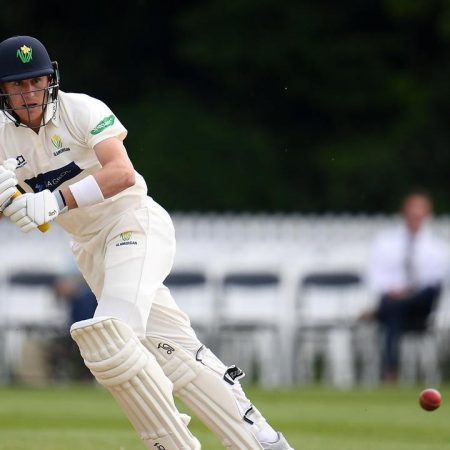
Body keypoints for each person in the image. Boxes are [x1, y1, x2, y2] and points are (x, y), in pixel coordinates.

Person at [0, 35, 293, 450]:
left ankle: (173, 444)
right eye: (17, 85)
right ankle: (262, 441)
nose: (29, 93)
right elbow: (15, 204)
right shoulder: (1, 138)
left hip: (133, 222)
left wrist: (54, 200)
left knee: (111, 335)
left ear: (51, 79)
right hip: (89, 249)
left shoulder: (81, 109)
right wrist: (9, 205)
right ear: (4, 91)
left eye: (36, 81)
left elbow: (121, 172)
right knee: (173, 351)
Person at [366, 190, 447, 383]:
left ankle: (390, 371)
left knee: (401, 304)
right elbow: (375, 277)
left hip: (421, 305)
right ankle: (391, 373)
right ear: (404, 213)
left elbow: (436, 281)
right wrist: (394, 291)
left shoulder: (439, 247)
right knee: (393, 310)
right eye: (412, 211)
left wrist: (407, 294)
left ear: (427, 214)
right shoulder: (385, 243)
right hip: (394, 302)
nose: (415, 216)